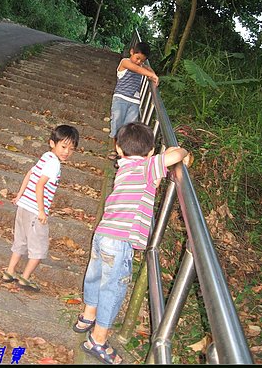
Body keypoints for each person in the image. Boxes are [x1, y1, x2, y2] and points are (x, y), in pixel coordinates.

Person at [73, 121, 191, 365]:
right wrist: (184, 154)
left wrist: (159, 163)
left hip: (103, 234)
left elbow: (153, 178)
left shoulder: (124, 167)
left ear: (118, 149)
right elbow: (176, 154)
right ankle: (98, 339)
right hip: (120, 241)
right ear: (149, 153)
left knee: (95, 276)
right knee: (112, 288)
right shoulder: (147, 166)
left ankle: (87, 316)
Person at [1, 124, 79, 292]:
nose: (66, 152)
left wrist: (20, 195)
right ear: (53, 143)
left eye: (71, 149)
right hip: (35, 211)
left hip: (24, 207)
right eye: (63, 146)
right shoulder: (55, 164)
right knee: (39, 248)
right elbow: (40, 186)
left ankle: (9, 272)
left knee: (20, 241)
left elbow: (30, 174)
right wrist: (42, 211)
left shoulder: (46, 157)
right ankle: (25, 278)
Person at [108, 41, 159, 164]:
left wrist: (152, 73)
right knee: (117, 124)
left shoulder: (141, 66)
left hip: (134, 102)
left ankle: (124, 155)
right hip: (120, 99)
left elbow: (146, 69)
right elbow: (136, 68)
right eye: (137, 58)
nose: (138, 62)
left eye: (142, 60)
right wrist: (151, 74)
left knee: (129, 129)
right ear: (131, 52)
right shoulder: (125, 62)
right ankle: (115, 149)